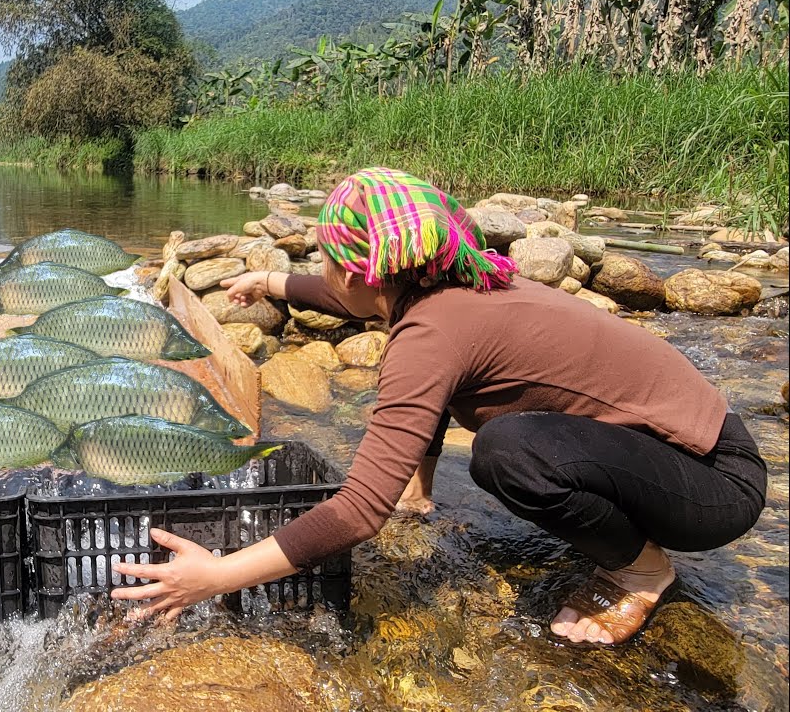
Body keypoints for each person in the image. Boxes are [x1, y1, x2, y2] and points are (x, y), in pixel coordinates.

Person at [111, 167, 767, 646]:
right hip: (686, 453)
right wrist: (272, 280)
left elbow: (359, 510)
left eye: (329, 258)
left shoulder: (429, 335)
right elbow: (352, 297)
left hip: (716, 486)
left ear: (368, 271)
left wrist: (217, 576)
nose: (324, 269)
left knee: (507, 452)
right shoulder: (450, 280)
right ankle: (440, 495)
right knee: (502, 437)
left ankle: (644, 570)